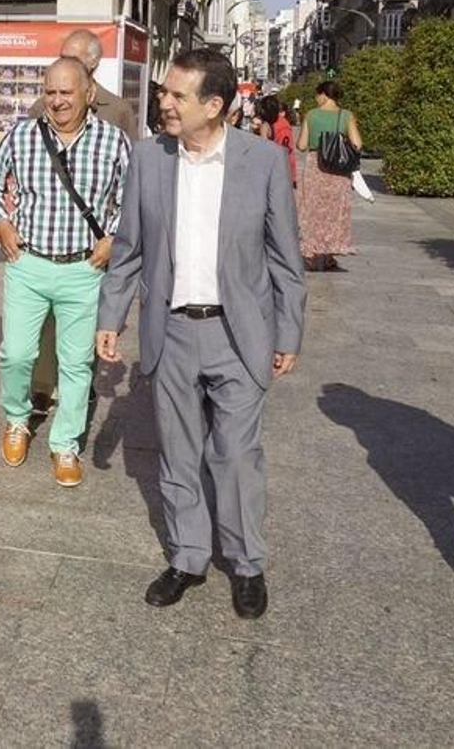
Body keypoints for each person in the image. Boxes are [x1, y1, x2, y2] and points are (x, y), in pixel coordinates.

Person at [96, 48, 305, 619]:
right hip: (172, 331)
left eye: (176, 96)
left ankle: (245, 563)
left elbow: (286, 258)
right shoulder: (149, 158)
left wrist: (288, 331)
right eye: (164, 93)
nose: (163, 103)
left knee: (236, 455)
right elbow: (130, 248)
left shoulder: (261, 161)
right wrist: (110, 319)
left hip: (238, 334)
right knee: (179, 452)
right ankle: (188, 557)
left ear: (214, 105)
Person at [0, 57, 129, 486]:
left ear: (89, 94)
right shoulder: (22, 135)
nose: (57, 100)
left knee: (76, 364)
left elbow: (131, 200)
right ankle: (16, 420)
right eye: (50, 91)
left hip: (83, 269)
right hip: (28, 265)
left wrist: (113, 236)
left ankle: (65, 446)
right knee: (17, 354)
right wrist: (3, 223)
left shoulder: (113, 141)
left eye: (67, 92)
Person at [24, 31, 141, 407]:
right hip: (47, 237)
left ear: (92, 66)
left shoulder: (118, 110)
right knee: (45, 321)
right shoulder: (40, 109)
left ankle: (78, 381)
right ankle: (42, 385)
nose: (66, 68)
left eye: (76, 60)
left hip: (94, 240)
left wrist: (115, 236)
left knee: (86, 320)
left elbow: (130, 180)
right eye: (62, 58)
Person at [295, 80, 360, 271]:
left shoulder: (312, 115)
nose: (316, 99)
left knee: (312, 210)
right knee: (334, 211)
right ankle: (330, 255)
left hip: (316, 166)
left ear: (324, 94)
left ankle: (311, 254)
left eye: (317, 95)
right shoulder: (346, 115)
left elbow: (301, 145)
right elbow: (357, 143)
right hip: (338, 170)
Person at [257, 95, 296, 187]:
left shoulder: (266, 126)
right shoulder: (284, 123)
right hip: (289, 168)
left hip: (275, 171)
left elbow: (264, 151)